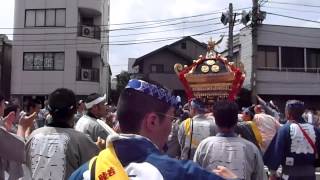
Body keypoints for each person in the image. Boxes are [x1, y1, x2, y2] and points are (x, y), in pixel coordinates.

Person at [70, 79, 236, 180]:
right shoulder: (180, 173)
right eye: (172, 118)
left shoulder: (84, 172)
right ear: (152, 121)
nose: (172, 126)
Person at [25, 88, 99, 180]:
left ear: (49, 110)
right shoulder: (81, 140)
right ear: (75, 110)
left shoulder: (33, 136)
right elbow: (95, 170)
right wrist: (101, 149)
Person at [194, 100, 264, 180]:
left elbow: (195, 175)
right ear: (236, 121)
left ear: (215, 121)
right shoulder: (251, 149)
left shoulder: (204, 145)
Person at [264, 100, 320, 180]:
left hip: (289, 175)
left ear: (287, 113)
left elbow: (276, 153)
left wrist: (272, 173)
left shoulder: (285, 130)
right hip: (310, 175)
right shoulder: (315, 130)